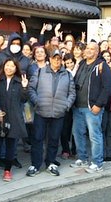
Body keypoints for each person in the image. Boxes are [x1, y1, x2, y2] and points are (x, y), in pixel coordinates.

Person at [26, 49, 75, 177]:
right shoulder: (40, 71)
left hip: (59, 112)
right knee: (37, 138)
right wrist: (37, 101)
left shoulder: (67, 75)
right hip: (41, 111)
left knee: (54, 139)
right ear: (50, 59)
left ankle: (50, 162)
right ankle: (35, 164)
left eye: (59, 59)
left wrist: (66, 105)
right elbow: (31, 88)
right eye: (54, 58)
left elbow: (72, 93)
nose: (57, 61)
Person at [70, 42, 111, 173]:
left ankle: (97, 163)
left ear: (97, 51)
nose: (89, 51)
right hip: (78, 107)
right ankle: (82, 158)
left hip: (92, 108)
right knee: (77, 133)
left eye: (92, 49)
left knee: (94, 136)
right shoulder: (82, 63)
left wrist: (99, 104)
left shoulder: (102, 66)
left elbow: (108, 88)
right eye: (87, 48)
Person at [0, 59, 28, 181]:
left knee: (11, 146)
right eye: (7, 65)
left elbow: (24, 100)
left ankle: (7, 170)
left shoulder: (19, 82)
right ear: (3, 67)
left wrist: (25, 88)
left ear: (16, 69)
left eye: (12, 66)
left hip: (14, 118)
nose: (9, 68)